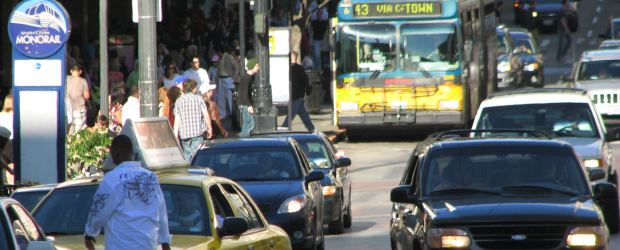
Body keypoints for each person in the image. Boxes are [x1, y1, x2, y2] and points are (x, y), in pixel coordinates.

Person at [84, 135, 172, 250]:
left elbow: (99, 211)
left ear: (115, 153)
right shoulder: (151, 177)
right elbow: (161, 211)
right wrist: (165, 242)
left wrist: (90, 232)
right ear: (131, 152)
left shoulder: (112, 178)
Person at [174, 79, 212, 161]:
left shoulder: (179, 101)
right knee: (197, 158)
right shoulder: (199, 99)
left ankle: (189, 172)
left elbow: (177, 120)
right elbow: (206, 115)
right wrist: (210, 128)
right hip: (197, 134)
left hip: (184, 135)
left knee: (188, 157)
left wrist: (176, 135)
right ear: (193, 88)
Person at [282, 52, 316, 132]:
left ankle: (284, 127)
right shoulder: (294, 68)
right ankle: (310, 127)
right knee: (302, 112)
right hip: (296, 94)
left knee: (292, 112)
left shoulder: (298, 68)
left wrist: (308, 90)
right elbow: (306, 81)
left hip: (296, 94)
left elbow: (305, 81)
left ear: (293, 59)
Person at [216, 46, 240, 119]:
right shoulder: (220, 58)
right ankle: (222, 114)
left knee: (230, 97)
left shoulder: (229, 57)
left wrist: (233, 79)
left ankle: (233, 113)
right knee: (220, 97)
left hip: (228, 78)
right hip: (221, 78)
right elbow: (218, 69)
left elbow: (236, 68)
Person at [67, 64, 91, 134]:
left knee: (70, 130)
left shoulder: (66, 79)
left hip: (69, 108)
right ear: (80, 71)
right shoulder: (83, 81)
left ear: (71, 71)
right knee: (80, 130)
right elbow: (87, 96)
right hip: (80, 108)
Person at [238, 59, 258, 137]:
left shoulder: (247, 77)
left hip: (244, 104)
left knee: (248, 123)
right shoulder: (247, 78)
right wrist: (249, 106)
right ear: (252, 67)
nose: (258, 67)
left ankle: (243, 140)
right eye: (257, 66)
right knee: (250, 123)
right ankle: (242, 141)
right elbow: (244, 94)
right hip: (245, 104)